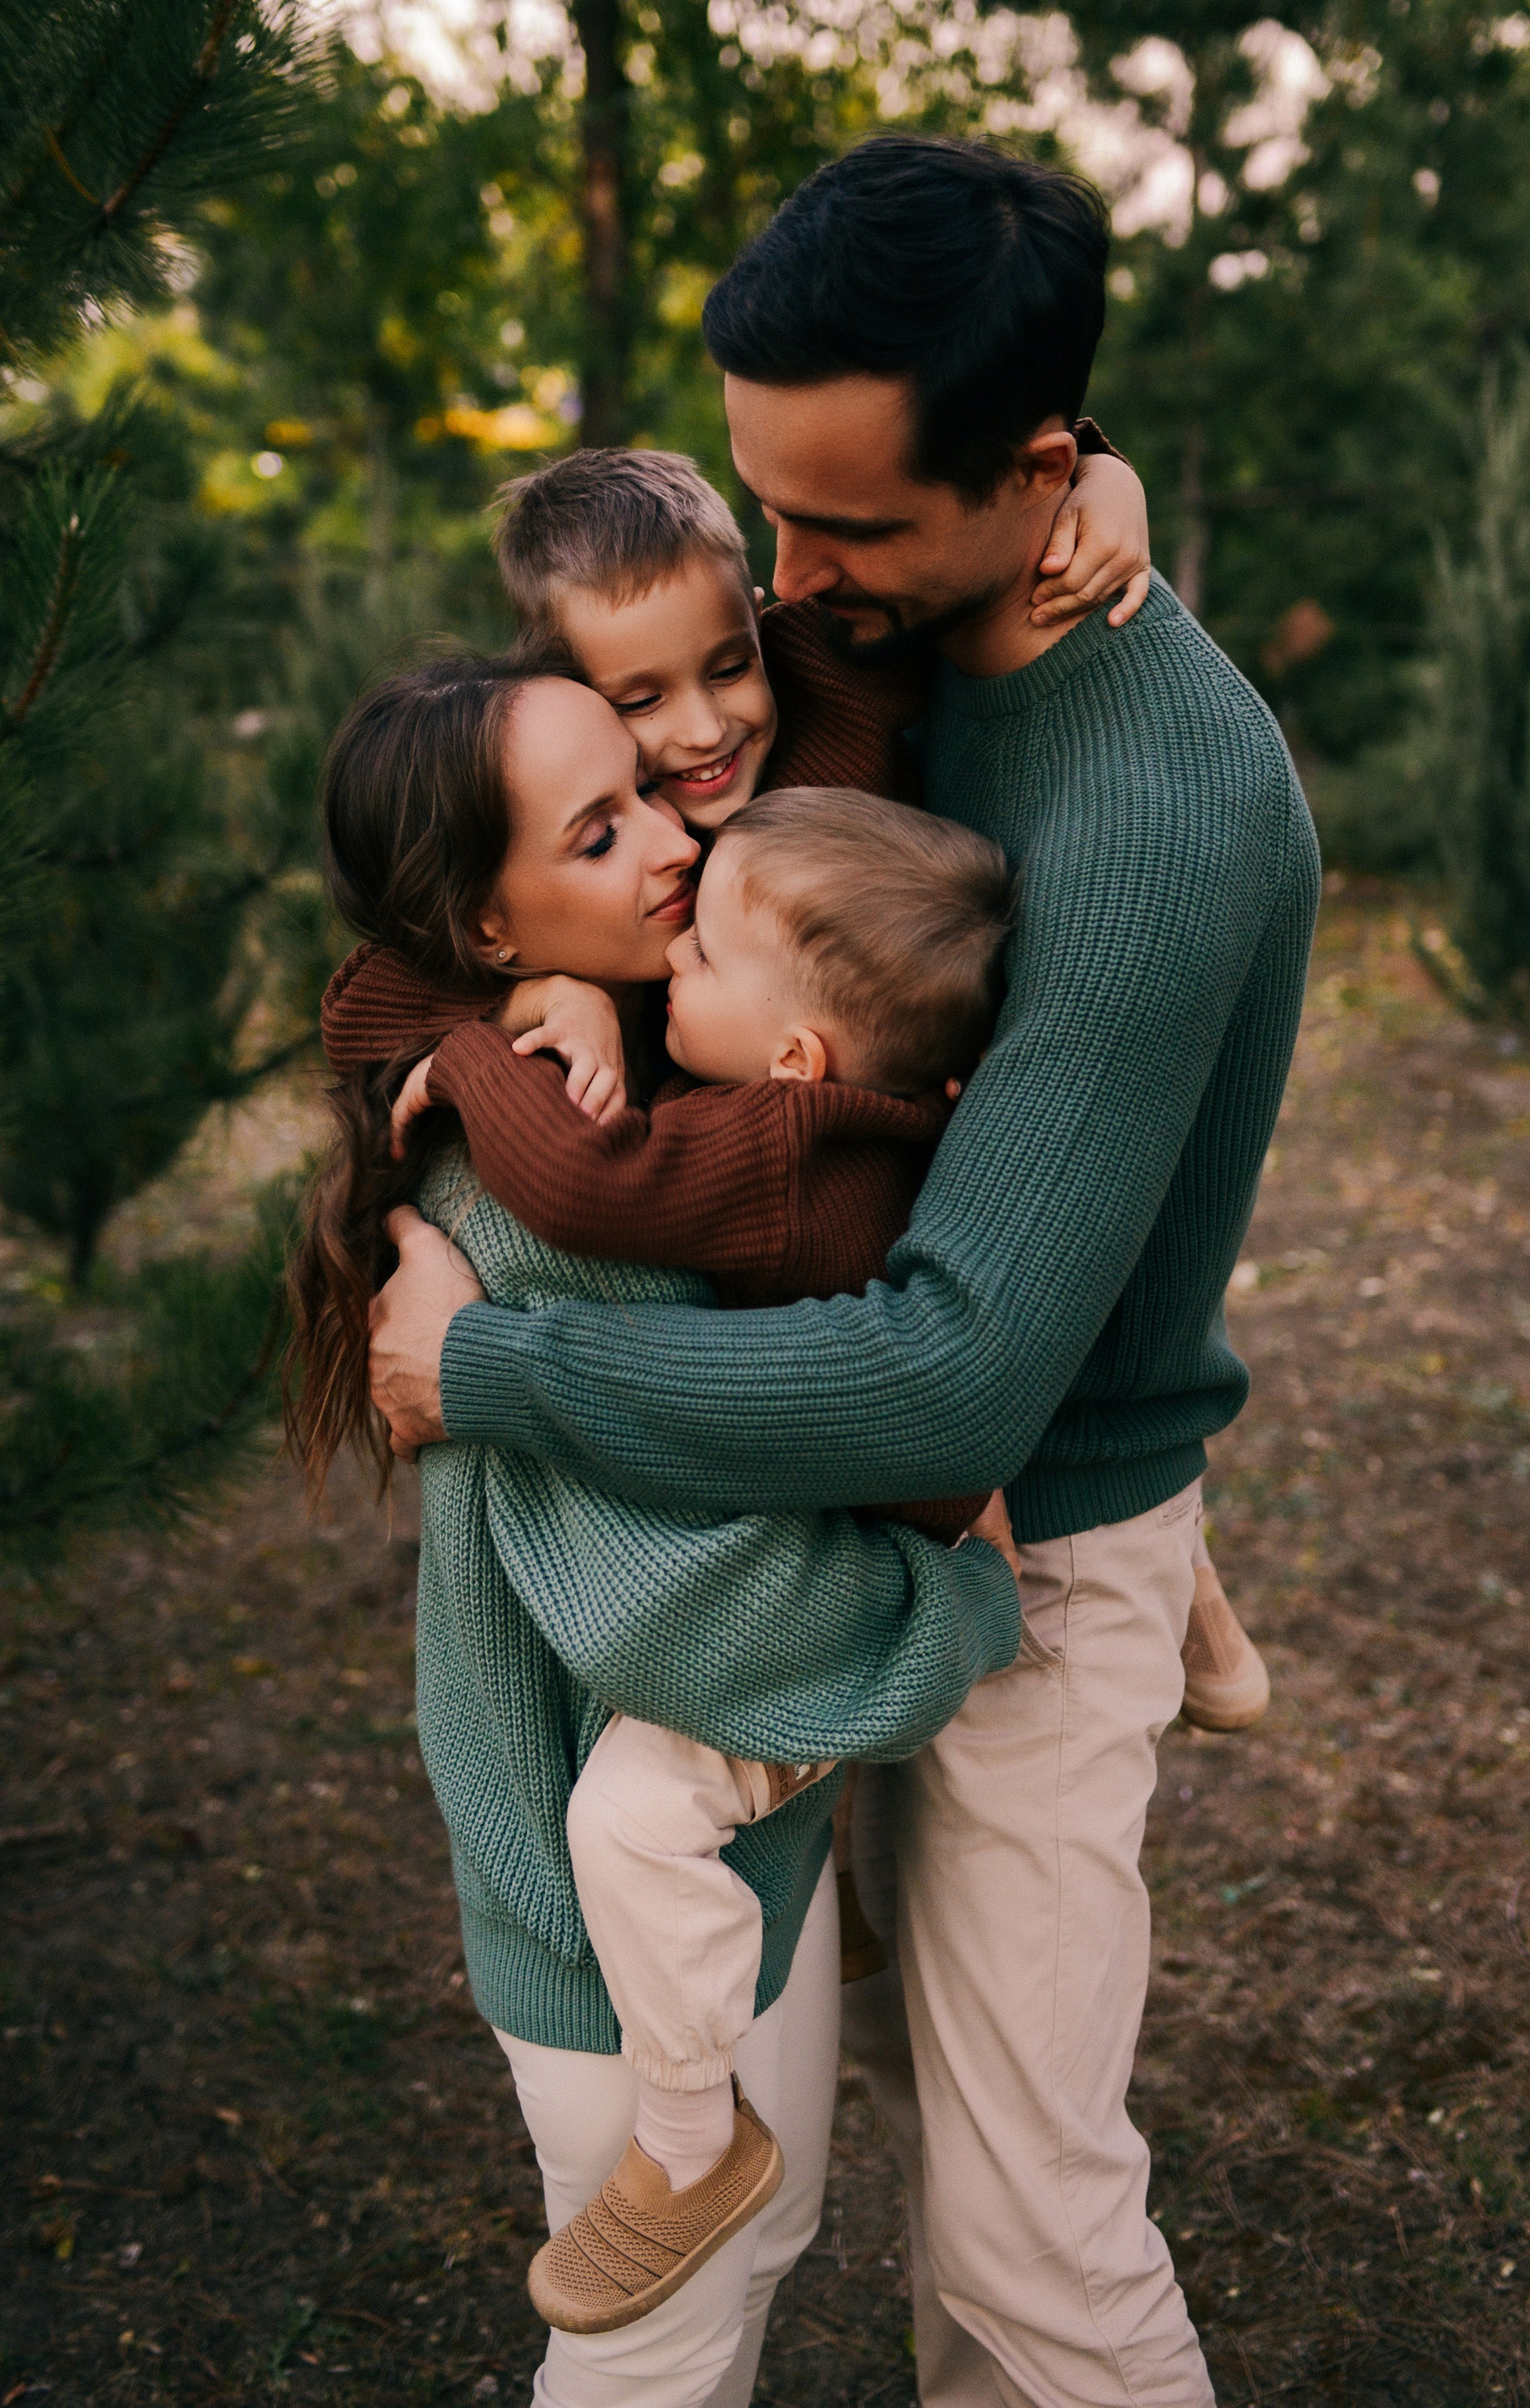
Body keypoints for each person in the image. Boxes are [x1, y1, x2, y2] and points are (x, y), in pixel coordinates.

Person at [367, 133, 1320, 2408]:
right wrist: (525, 993)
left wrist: (491, 1370)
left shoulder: (1163, 804)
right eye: (768, 509)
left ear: (1039, 480)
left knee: (1028, 2240)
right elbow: (498, 855)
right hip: (817, 1526)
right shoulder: (865, 636)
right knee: (873, 2108)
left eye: (849, 530)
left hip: (1022, 1537)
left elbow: (956, 1379)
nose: (793, 589)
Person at [286, 653, 1023, 2408]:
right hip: (613, 1905)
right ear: (488, 922)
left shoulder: (643, 1059)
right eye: (601, 829)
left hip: (722, 1862)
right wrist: (962, 1602)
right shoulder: (548, 1204)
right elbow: (682, 1612)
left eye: (641, 785)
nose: (679, 838)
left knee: (755, 2255)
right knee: (655, 2357)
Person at [329, 438, 1268, 1734]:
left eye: (728, 665)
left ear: (757, 625)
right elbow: (365, 1001)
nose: (703, 729)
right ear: (577, 704)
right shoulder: (609, 856)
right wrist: (539, 997)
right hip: (807, 1180)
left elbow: (953, 536)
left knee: (1012, 1348)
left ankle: (1167, 1567)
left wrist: (1099, 478)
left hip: (957, 1109)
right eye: (641, 701)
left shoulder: (821, 687)